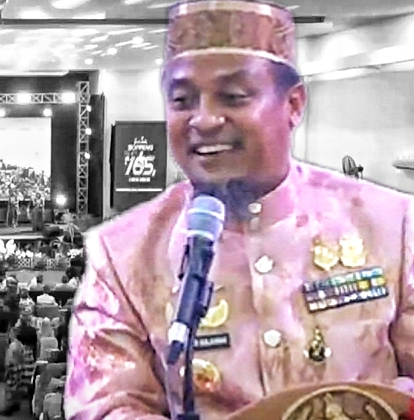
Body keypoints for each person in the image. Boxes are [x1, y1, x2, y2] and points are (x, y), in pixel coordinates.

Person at [64, 1, 414, 419]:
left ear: (293, 104)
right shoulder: (123, 256)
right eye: (182, 100)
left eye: (233, 97)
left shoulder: (392, 225)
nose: (204, 120)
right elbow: (105, 407)